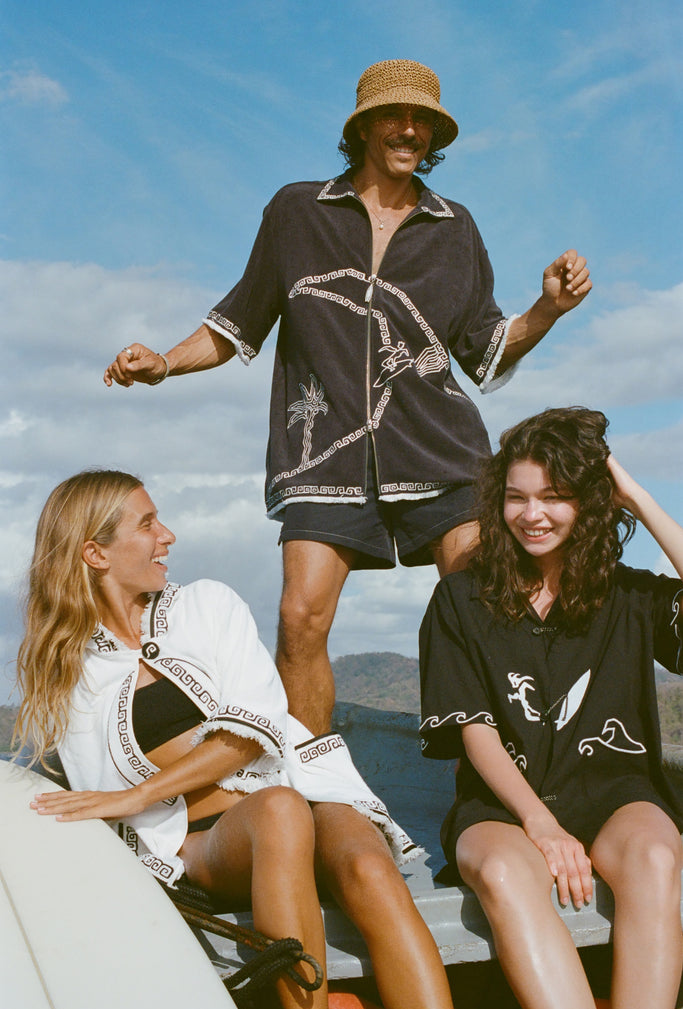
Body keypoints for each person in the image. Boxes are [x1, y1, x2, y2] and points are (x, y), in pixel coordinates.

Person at [103, 59, 592, 736]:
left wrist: (548, 309)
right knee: (299, 616)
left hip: (438, 448)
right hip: (322, 456)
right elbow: (237, 322)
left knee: (482, 601)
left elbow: (484, 349)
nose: (410, 129)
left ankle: (497, 776)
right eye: (396, 116)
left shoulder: (455, 227)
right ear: (363, 126)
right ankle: (315, 787)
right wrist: (163, 362)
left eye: (424, 120)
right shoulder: (297, 211)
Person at [16, 470, 459, 1009]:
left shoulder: (207, 606)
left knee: (369, 870)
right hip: (199, 843)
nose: (168, 535)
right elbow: (98, 788)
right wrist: (126, 803)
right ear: (95, 553)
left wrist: (135, 794)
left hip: (298, 787)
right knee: (277, 813)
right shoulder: (71, 670)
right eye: (148, 524)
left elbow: (254, 731)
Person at [419, 408, 683, 1009]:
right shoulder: (461, 597)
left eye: (556, 497)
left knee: (656, 858)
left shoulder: (629, 594)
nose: (532, 515)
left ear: (591, 503)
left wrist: (639, 499)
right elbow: (474, 727)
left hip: (615, 789)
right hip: (505, 802)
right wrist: (540, 824)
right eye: (517, 498)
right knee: (507, 873)